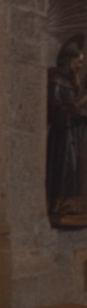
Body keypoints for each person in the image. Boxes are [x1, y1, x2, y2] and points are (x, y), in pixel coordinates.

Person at [47, 34, 87, 220]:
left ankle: (72, 204)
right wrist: (72, 111)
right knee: (63, 167)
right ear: (69, 60)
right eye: (78, 62)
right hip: (62, 134)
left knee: (74, 169)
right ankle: (59, 203)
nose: (80, 66)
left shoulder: (73, 82)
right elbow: (54, 108)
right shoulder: (56, 78)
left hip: (75, 134)